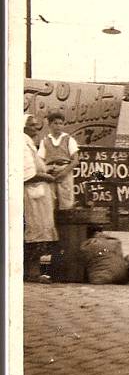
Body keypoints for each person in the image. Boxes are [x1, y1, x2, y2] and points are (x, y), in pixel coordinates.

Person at [23, 114, 58, 283]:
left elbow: (36, 168)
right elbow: (26, 176)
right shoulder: (21, 144)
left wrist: (47, 171)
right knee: (36, 234)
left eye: (37, 125)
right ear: (22, 127)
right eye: (31, 125)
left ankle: (39, 272)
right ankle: (33, 272)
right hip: (32, 197)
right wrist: (46, 177)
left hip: (39, 196)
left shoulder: (29, 143)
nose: (35, 128)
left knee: (43, 233)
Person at [37, 111, 80, 210]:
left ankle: (67, 224)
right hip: (50, 173)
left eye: (61, 123)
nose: (58, 126)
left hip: (65, 171)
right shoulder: (45, 141)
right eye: (55, 123)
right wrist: (47, 170)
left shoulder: (69, 139)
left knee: (66, 202)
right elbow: (40, 160)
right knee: (49, 202)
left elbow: (75, 160)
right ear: (49, 124)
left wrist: (64, 172)